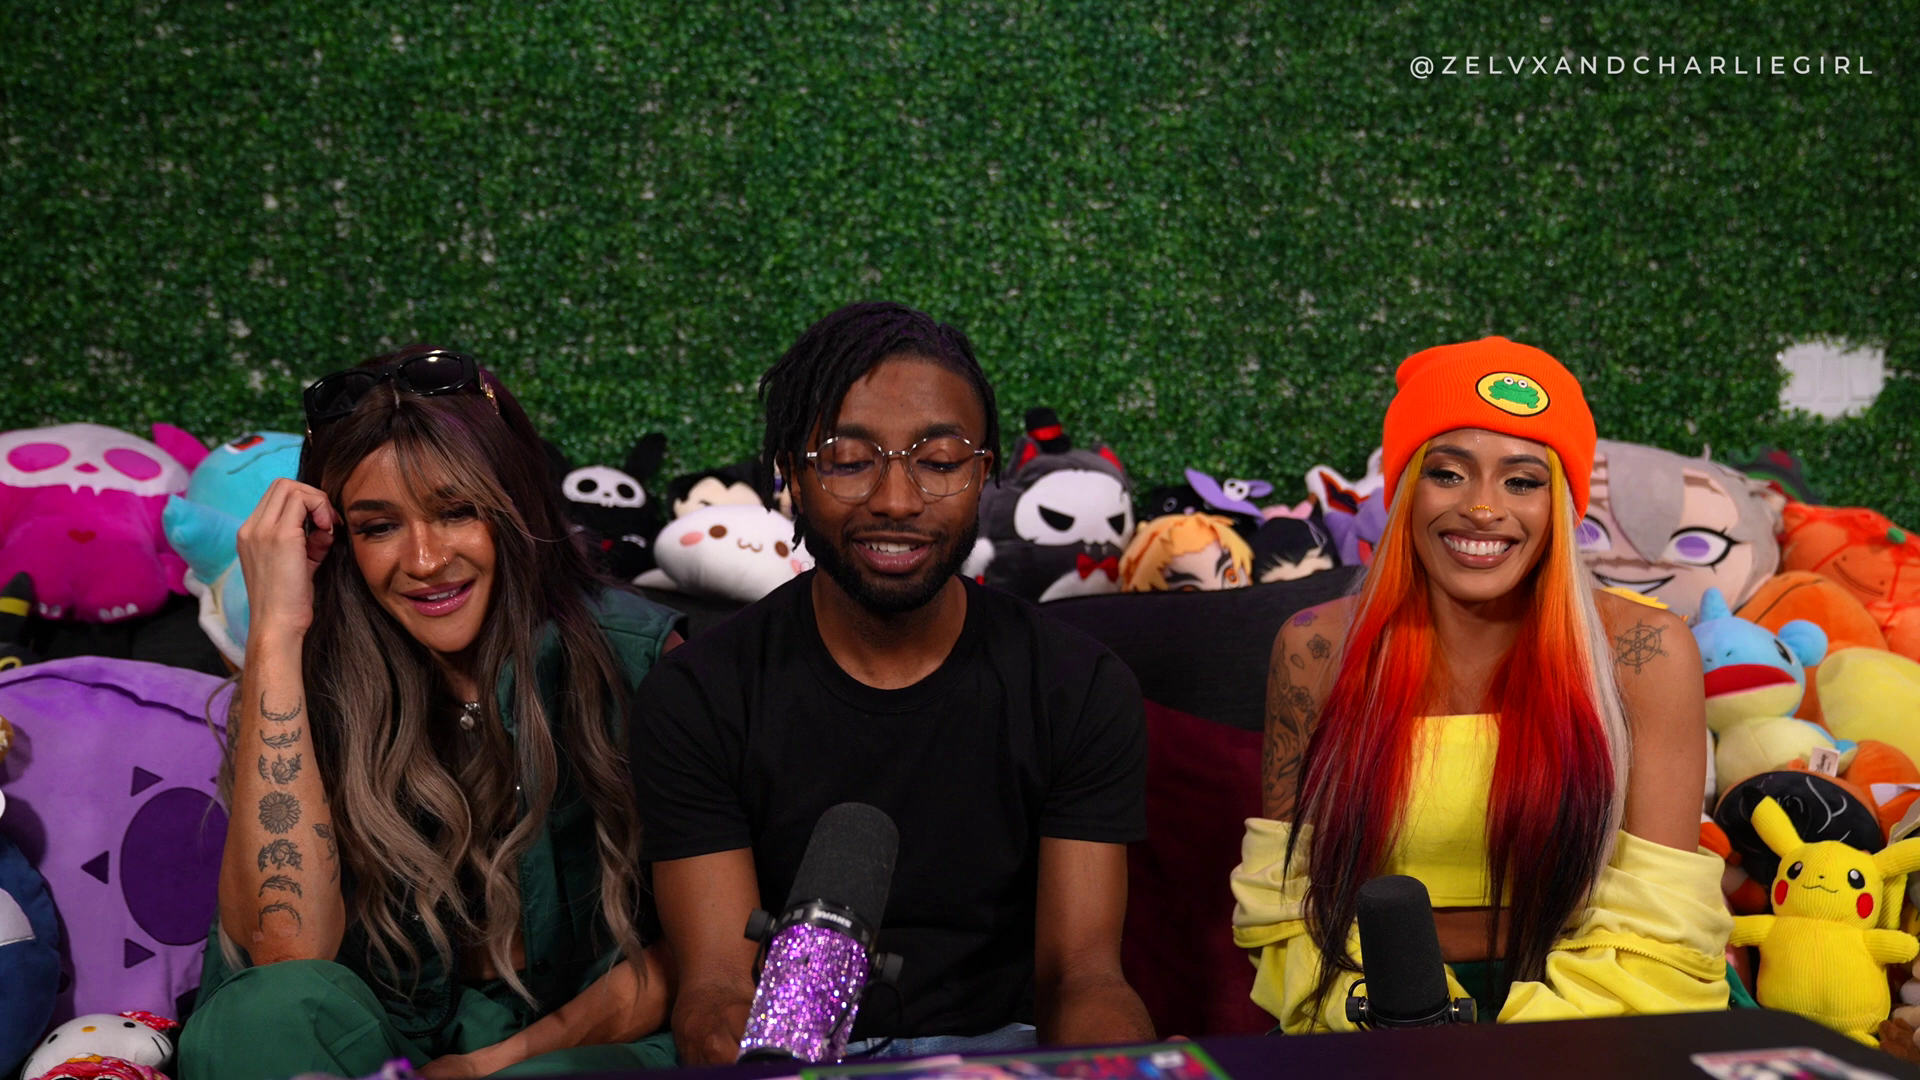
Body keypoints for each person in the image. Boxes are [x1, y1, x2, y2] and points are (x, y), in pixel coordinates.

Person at [629, 302, 1155, 1063]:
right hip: (793, 1056)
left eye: (939, 462)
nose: (897, 501)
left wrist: (1115, 1072)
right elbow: (717, 990)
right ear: (792, 476)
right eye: (849, 460)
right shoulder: (698, 697)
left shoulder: (1079, 687)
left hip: (1002, 1061)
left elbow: (1084, 977)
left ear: (984, 475)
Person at [181, 348, 684, 1078]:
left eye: (456, 512)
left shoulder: (640, 660)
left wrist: (484, 1069)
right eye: (378, 527)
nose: (423, 560)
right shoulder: (301, 678)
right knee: (260, 1018)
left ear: (515, 509)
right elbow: (287, 960)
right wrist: (275, 632)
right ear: (339, 540)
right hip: (379, 1046)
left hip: (577, 1046)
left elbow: (700, 953)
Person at [1232, 337, 1732, 1031]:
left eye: (1522, 481)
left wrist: (1511, 1053)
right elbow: (1286, 906)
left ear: (1561, 505)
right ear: (1404, 490)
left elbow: (1660, 925)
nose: (1483, 509)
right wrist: (1410, 1023)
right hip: (1375, 1014)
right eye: (1448, 473)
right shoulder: (1313, 648)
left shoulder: (1647, 653)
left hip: (1600, 1013)